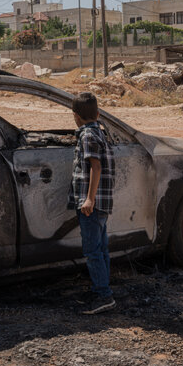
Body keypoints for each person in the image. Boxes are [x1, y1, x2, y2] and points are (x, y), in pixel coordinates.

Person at [68, 92, 117, 315]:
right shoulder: (99, 132)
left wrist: (89, 198)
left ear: (76, 116)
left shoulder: (87, 135)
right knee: (101, 248)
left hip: (92, 205)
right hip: (101, 203)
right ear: (97, 114)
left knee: (92, 251)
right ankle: (101, 289)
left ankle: (103, 295)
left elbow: (95, 167)